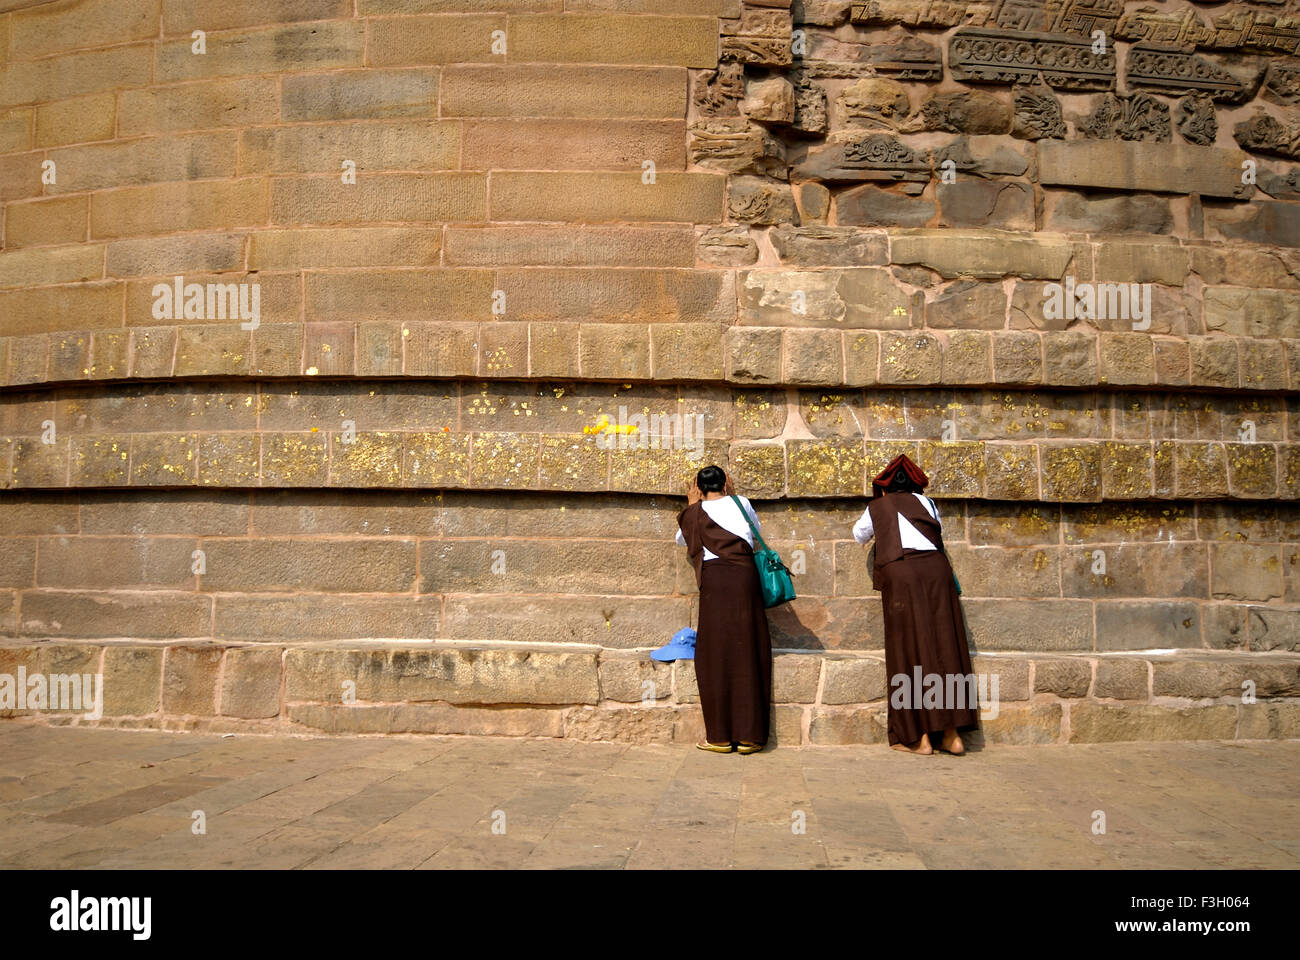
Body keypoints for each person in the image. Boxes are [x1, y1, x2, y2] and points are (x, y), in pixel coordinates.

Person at [852, 454, 978, 756]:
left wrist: (880, 509)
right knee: (946, 646)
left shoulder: (878, 506)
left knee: (907, 649)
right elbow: (939, 532)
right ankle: (951, 734)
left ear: (884, 488)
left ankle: (918, 737)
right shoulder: (929, 504)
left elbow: (859, 536)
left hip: (902, 573)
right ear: (914, 485)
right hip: (936, 572)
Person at [675, 465, 773, 754]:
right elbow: (753, 534)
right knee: (749, 648)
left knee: (715, 653)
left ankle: (718, 736)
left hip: (716, 581)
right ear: (725, 485)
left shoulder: (694, 513)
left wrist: (694, 506)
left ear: (700, 489)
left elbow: (681, 539)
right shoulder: (742, 503)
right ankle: (749, 737)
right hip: (744, 578)